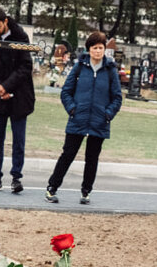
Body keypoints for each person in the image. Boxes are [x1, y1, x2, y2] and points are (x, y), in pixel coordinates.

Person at [45, 31, 122, 205]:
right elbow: (66, 92)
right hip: (78, 119)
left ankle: (86, 191)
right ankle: (52, 188)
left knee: (92, 158)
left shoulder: (110, 70)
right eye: (94, 48)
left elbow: (117, 97)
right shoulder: (80, 67)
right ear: (89, 49)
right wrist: (72, 109)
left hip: (99, 121)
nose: (98, 51)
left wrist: (108, 114)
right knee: (68, 154)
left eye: (101, 48)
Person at [0, 5, 35, 195]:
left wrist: (8, 86)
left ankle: (16, 177)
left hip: (19, 95)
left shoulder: (20, 36)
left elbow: (25, 65)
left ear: (5, 21)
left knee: (18, 139)